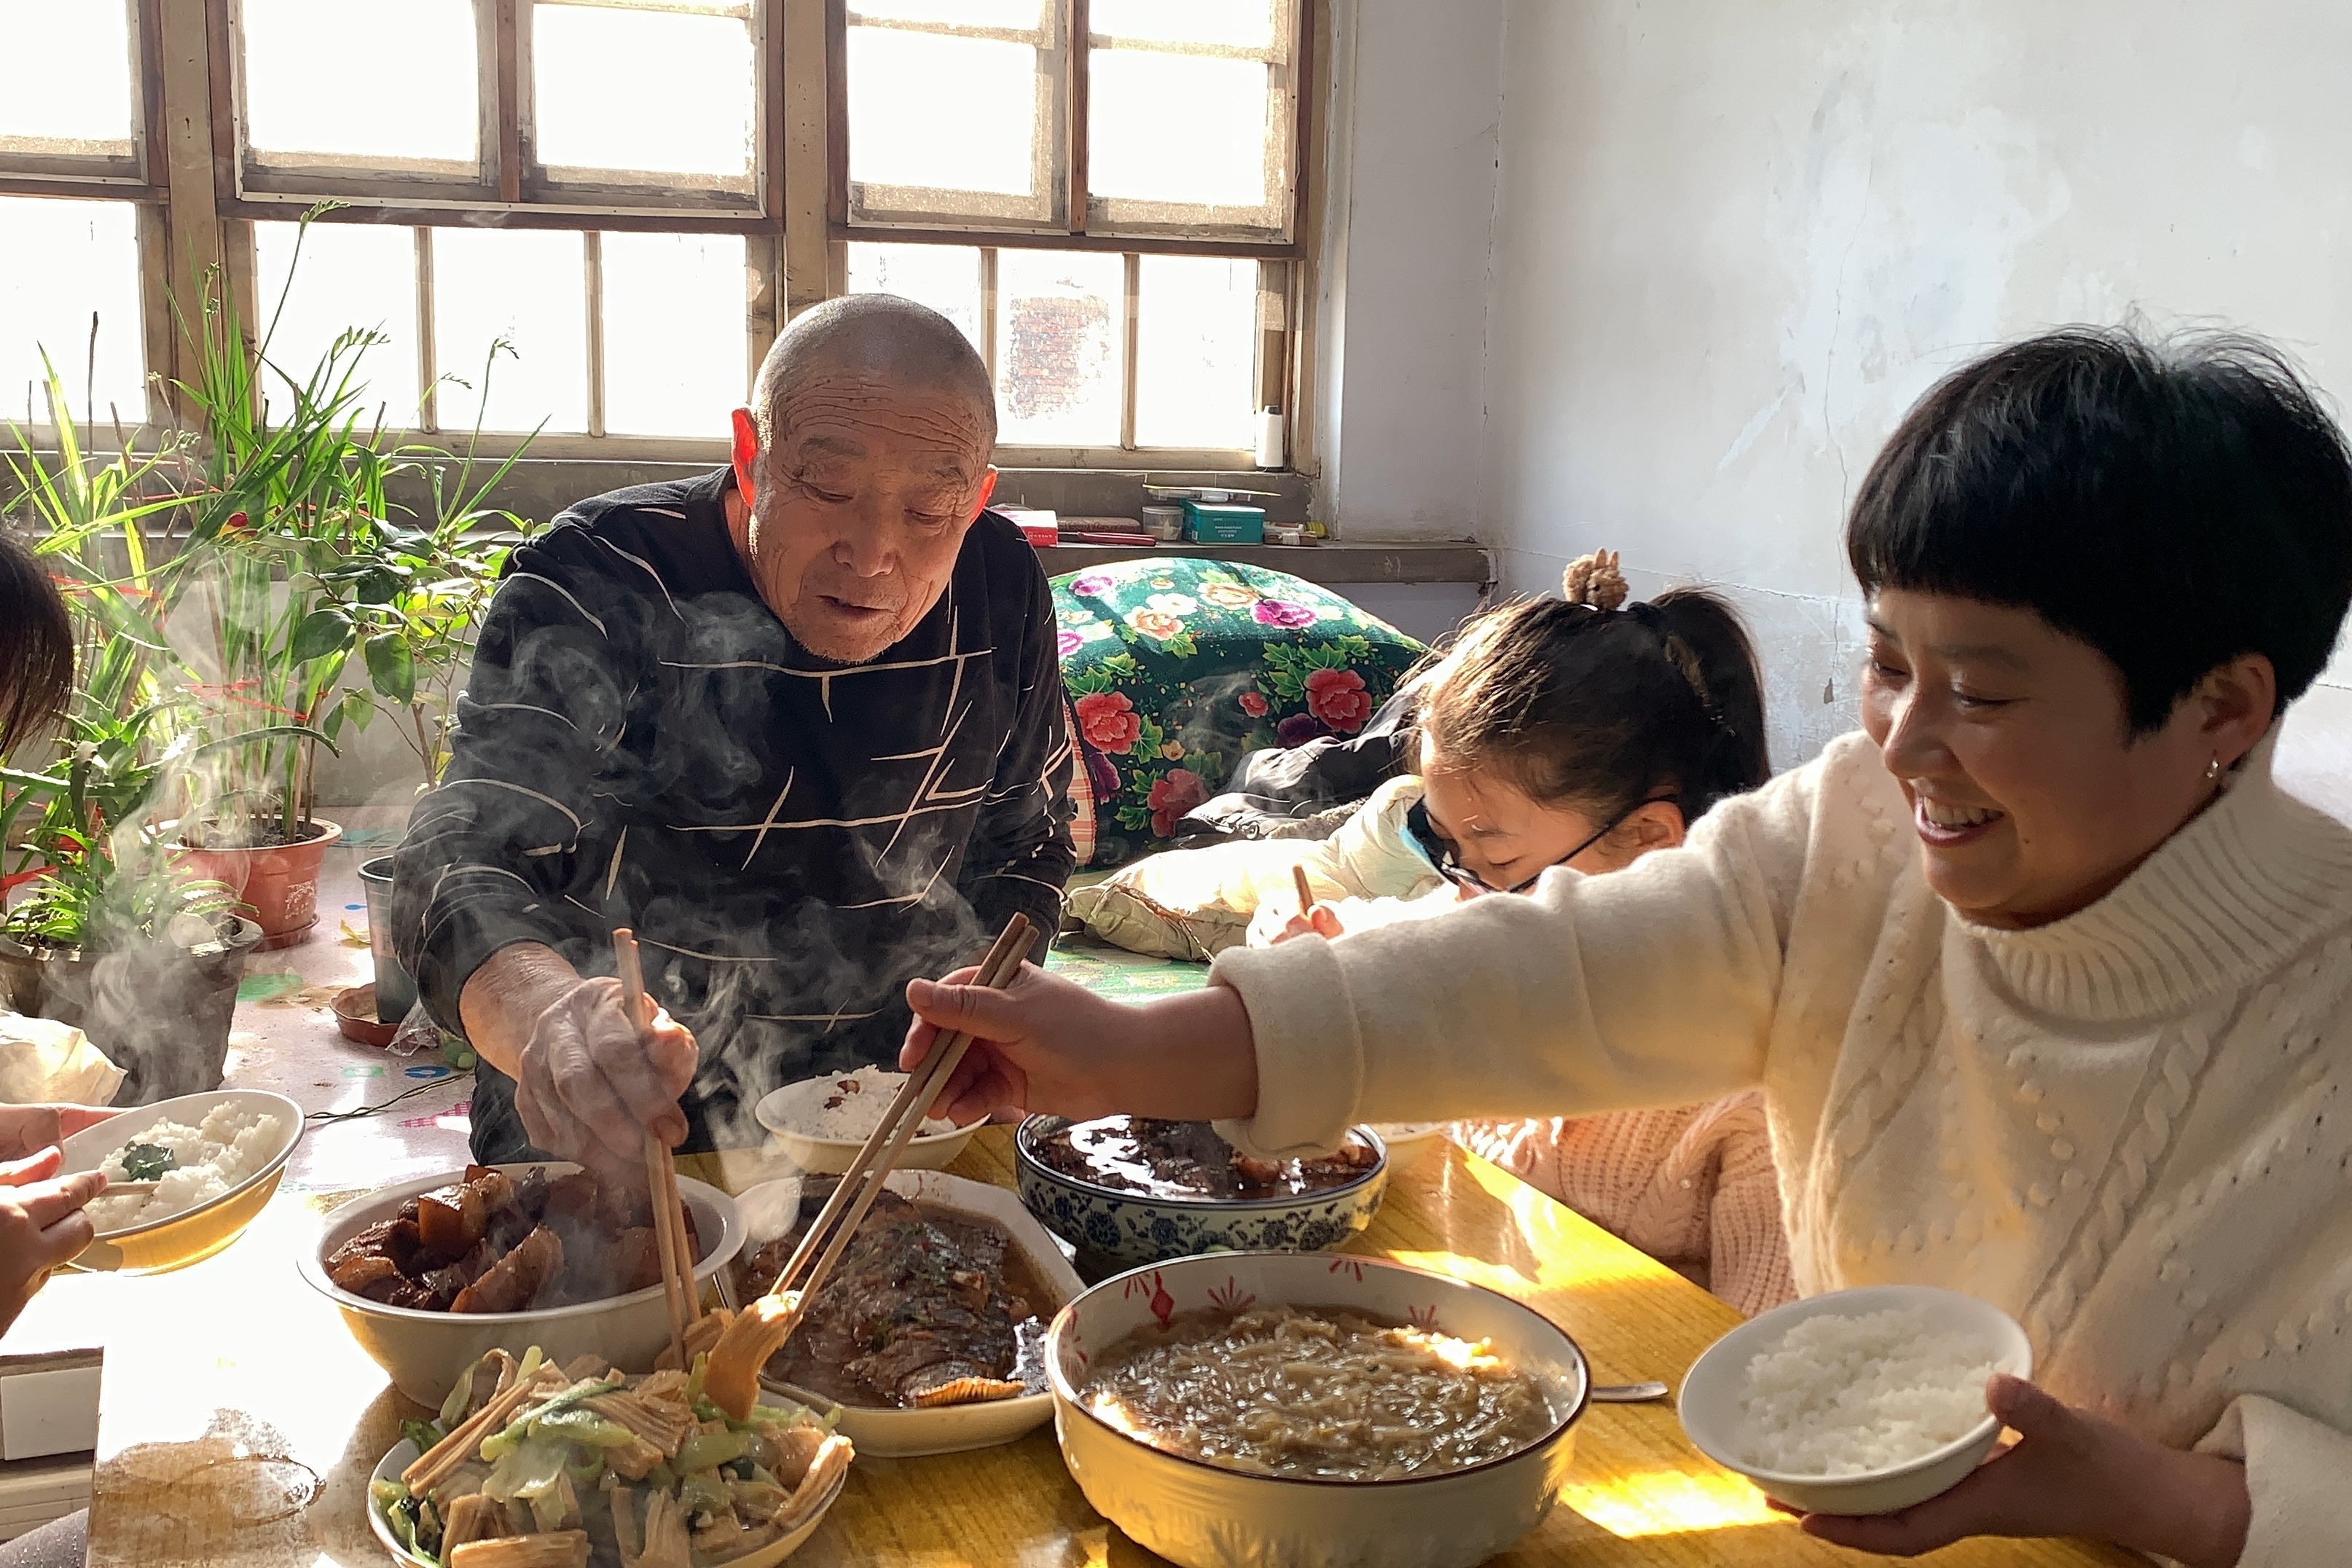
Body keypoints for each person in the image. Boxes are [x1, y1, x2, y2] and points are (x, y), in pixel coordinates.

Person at [903, 326, 2352, 1567]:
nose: (1900, 742)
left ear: (2223, 706)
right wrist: (1123, 1042)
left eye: (1979, 691)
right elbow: (1543, 973)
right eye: (1889, 661)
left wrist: (2158, 1497)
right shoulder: (1854, 844)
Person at [389, 295, 1073, 1185]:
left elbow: (1029, 839)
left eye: (931, 510)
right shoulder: (603, 575)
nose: (872, 553)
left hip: (889, 1120)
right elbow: (458, 858)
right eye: (829, 490)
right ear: (751, 458)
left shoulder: (1000, 582)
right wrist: (550, 1014)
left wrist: (979, 999)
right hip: (624, 1130)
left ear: (977, 499)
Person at [1244, 549, 1795, 1313]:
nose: (1463, 897)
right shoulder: (1479, 925)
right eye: (1443, 848)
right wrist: (1307, 941)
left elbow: (1760, 1388)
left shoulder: (1756, 1096)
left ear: (1647, 840)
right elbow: (1348, 934)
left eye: (1497, 860)